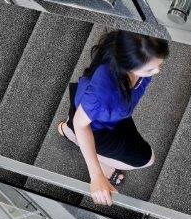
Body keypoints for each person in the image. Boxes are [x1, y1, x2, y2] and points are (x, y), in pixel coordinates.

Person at [58, 30, 168, 206]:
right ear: (127, 64)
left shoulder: (128, 48)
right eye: (149, 69)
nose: (157, 71)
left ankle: (68, 130)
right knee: (147, 160)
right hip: (97, 128)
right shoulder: (104, 94)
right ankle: (73, 135)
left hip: (111, 117)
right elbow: (81, 123)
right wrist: (96, 175)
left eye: (158, 64)